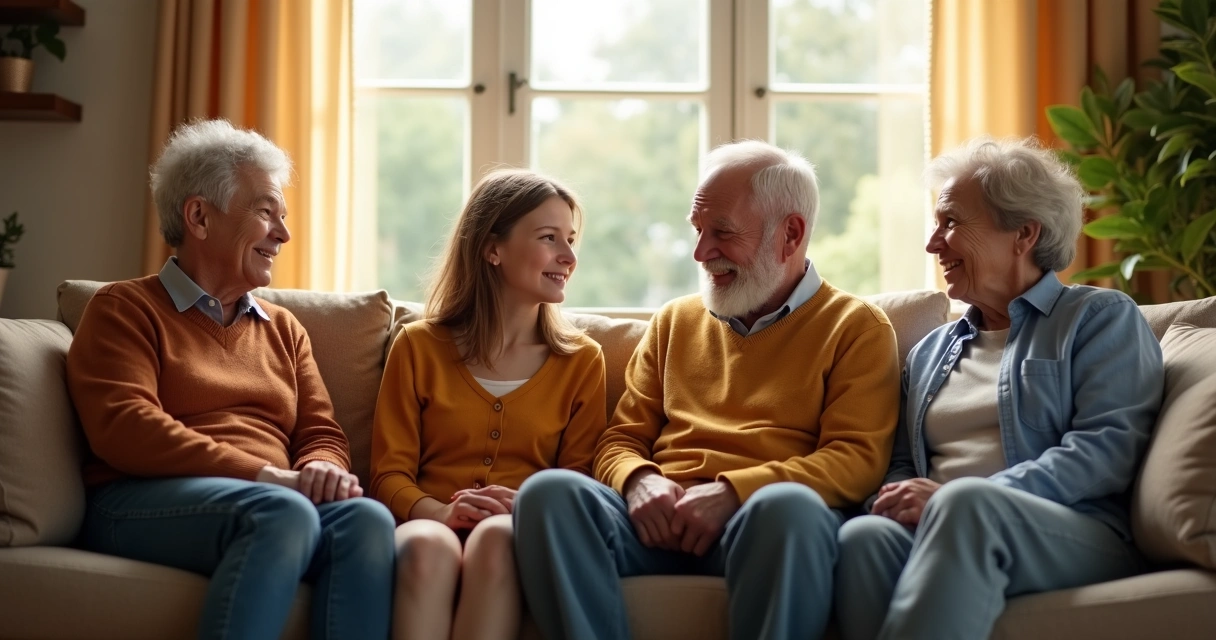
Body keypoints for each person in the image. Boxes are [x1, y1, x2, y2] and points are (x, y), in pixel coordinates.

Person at [512, 140, 901, 640]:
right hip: (656, 519)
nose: (700, 253)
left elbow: (856, 458)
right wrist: (639, 482)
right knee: (549, 493)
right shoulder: (676, 320)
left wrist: (733, 494)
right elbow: (619, 441)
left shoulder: (857, 327)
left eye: (722, 232)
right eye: (698, 231)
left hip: (762, 525)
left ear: (791, 234)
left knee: (788, 508)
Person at [66, 119, 395, 640]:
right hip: (140, 499)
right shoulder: (124, 308)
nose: (283, 234)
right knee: (282, 513)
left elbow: (321, 433)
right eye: (266, 212)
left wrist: (321, 470)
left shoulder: (284, 329)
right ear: (198, 216)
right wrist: (268, 476)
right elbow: (126, 427)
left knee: (367, 522)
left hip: (272, 499)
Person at [833, 136, 1165, 640]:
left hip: (1072, 528)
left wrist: (958, 496)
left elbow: (1105, 450)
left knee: (966, 506)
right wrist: (898, 498)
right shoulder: (929, 351)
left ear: (1023, 234)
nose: (932, 242)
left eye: (950, 222)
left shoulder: (1097, 318)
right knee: (864, 536)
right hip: (950, 520)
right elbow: (902, 460)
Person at [370, 168, 607, 640]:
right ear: (492, 248)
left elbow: (578, 482)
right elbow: (388, 474)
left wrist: (524, 508)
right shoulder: (417, 346)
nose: (568, 256)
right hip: (428, 520)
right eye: (549, 238)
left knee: (497, 540)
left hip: (518, 526)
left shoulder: (582, 360)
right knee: (424, 548)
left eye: (571, 239)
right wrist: (438, 513)